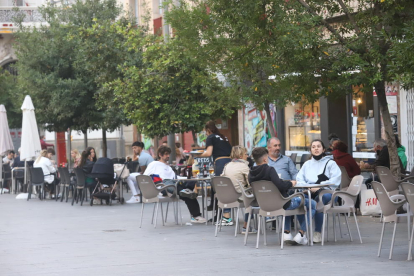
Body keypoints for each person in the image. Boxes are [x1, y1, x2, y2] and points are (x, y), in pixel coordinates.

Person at [249, 147, 316, 245]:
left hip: (263, 205)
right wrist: (291, 183)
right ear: (264, 159)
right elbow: (280, 186)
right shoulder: (269, 169)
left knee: (288, 198)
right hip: (281, 204)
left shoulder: (250, 173)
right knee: (311, 203)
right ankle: (301, 234)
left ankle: (287, 233)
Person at [144, 145, 206, 223]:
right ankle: (185, 192)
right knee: (170, 183)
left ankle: (195, 214)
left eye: (168, 154)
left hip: (174, 185)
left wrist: (189, 179)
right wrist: (154, 182)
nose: (168, 156)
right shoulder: (154, 164)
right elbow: (144, 177)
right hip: (162, 187)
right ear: (160, 155)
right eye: (166, 154)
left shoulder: (168, 167)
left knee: (189, 185)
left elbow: (175, 178)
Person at [296, 139, 341, 243]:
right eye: (313, 147)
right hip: (309, 191)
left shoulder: (331, 163)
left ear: (323, 149)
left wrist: (319, 187)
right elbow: (299, 179)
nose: (316, 148)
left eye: (318, 146)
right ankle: (303, 233)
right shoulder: (307, 164)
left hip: (328, 193)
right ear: (310, 150)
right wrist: (308, 187)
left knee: (318, 201)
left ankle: (317, 232)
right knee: (299, 200)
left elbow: (335, 180)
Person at [200, 120, 232, 211]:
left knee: (219, 186)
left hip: (220, 163)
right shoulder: (224, 137)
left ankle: (218, 212)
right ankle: (217, 207)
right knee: (224, 185)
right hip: (230, 162)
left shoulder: (211, 137)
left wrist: (197, 155)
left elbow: (209, 153)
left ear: (208, 130)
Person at [221, 146, 254, 231]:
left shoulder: (227, 166)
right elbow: (251, 182)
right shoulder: (244, 166)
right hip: (239, 196)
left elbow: (222, 178)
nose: (247, 156)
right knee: (252, 198)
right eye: (246, 154)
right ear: (240, 156)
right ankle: (246, 227)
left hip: (227, 196)